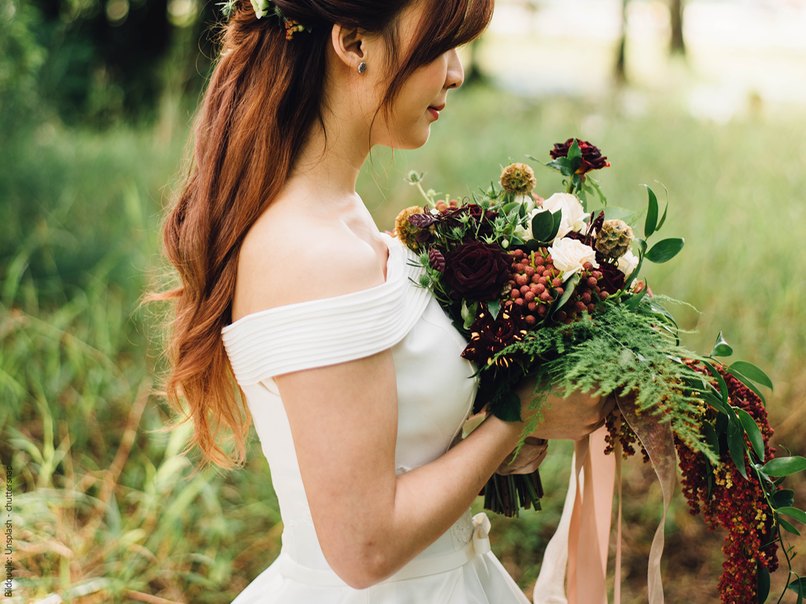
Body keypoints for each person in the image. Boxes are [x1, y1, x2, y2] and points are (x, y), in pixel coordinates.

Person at [157, 0, 612, 601]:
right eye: (440, 44)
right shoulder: (310, 253)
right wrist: (520, 413)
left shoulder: (342, 217)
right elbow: (364, 547)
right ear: (354, 44)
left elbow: (392, 443)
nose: (456, 72)